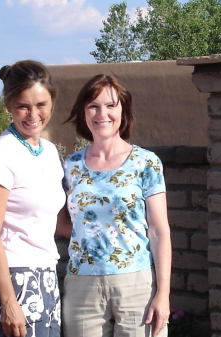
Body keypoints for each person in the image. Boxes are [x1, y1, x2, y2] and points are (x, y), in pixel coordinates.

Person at [58, 74, 172, 337]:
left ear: (124, 110)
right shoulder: (70, 166)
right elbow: (61, 222)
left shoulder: (146, 162)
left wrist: (163, 293)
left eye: (111, 105)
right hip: (81, 286)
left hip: (136, 285)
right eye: (93, 106)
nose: (102, 114)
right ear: (83, 113)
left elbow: (158, 231)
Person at [0, 60, 65, 337]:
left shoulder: (49, 152)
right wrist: (9, 302)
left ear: (52, 102)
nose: (33, 114)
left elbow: (54, 222)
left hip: (47, 274)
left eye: (41, 104)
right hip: (15, 279)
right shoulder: (1, 153)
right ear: (8, 105)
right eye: (23, 106)